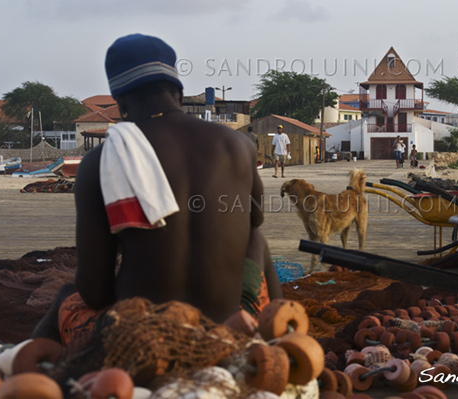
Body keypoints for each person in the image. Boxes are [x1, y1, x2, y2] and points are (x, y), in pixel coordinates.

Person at [33, 34, 281, 345]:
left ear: (121, 101)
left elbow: (95, 294)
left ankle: (18, 374)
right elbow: (254, 221)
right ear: (178, 92)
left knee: (68, 297)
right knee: (256, 237)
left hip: (145, 339)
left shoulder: (101, 162)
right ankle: (279, 337)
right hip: (229, 327)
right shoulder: (239, 145)